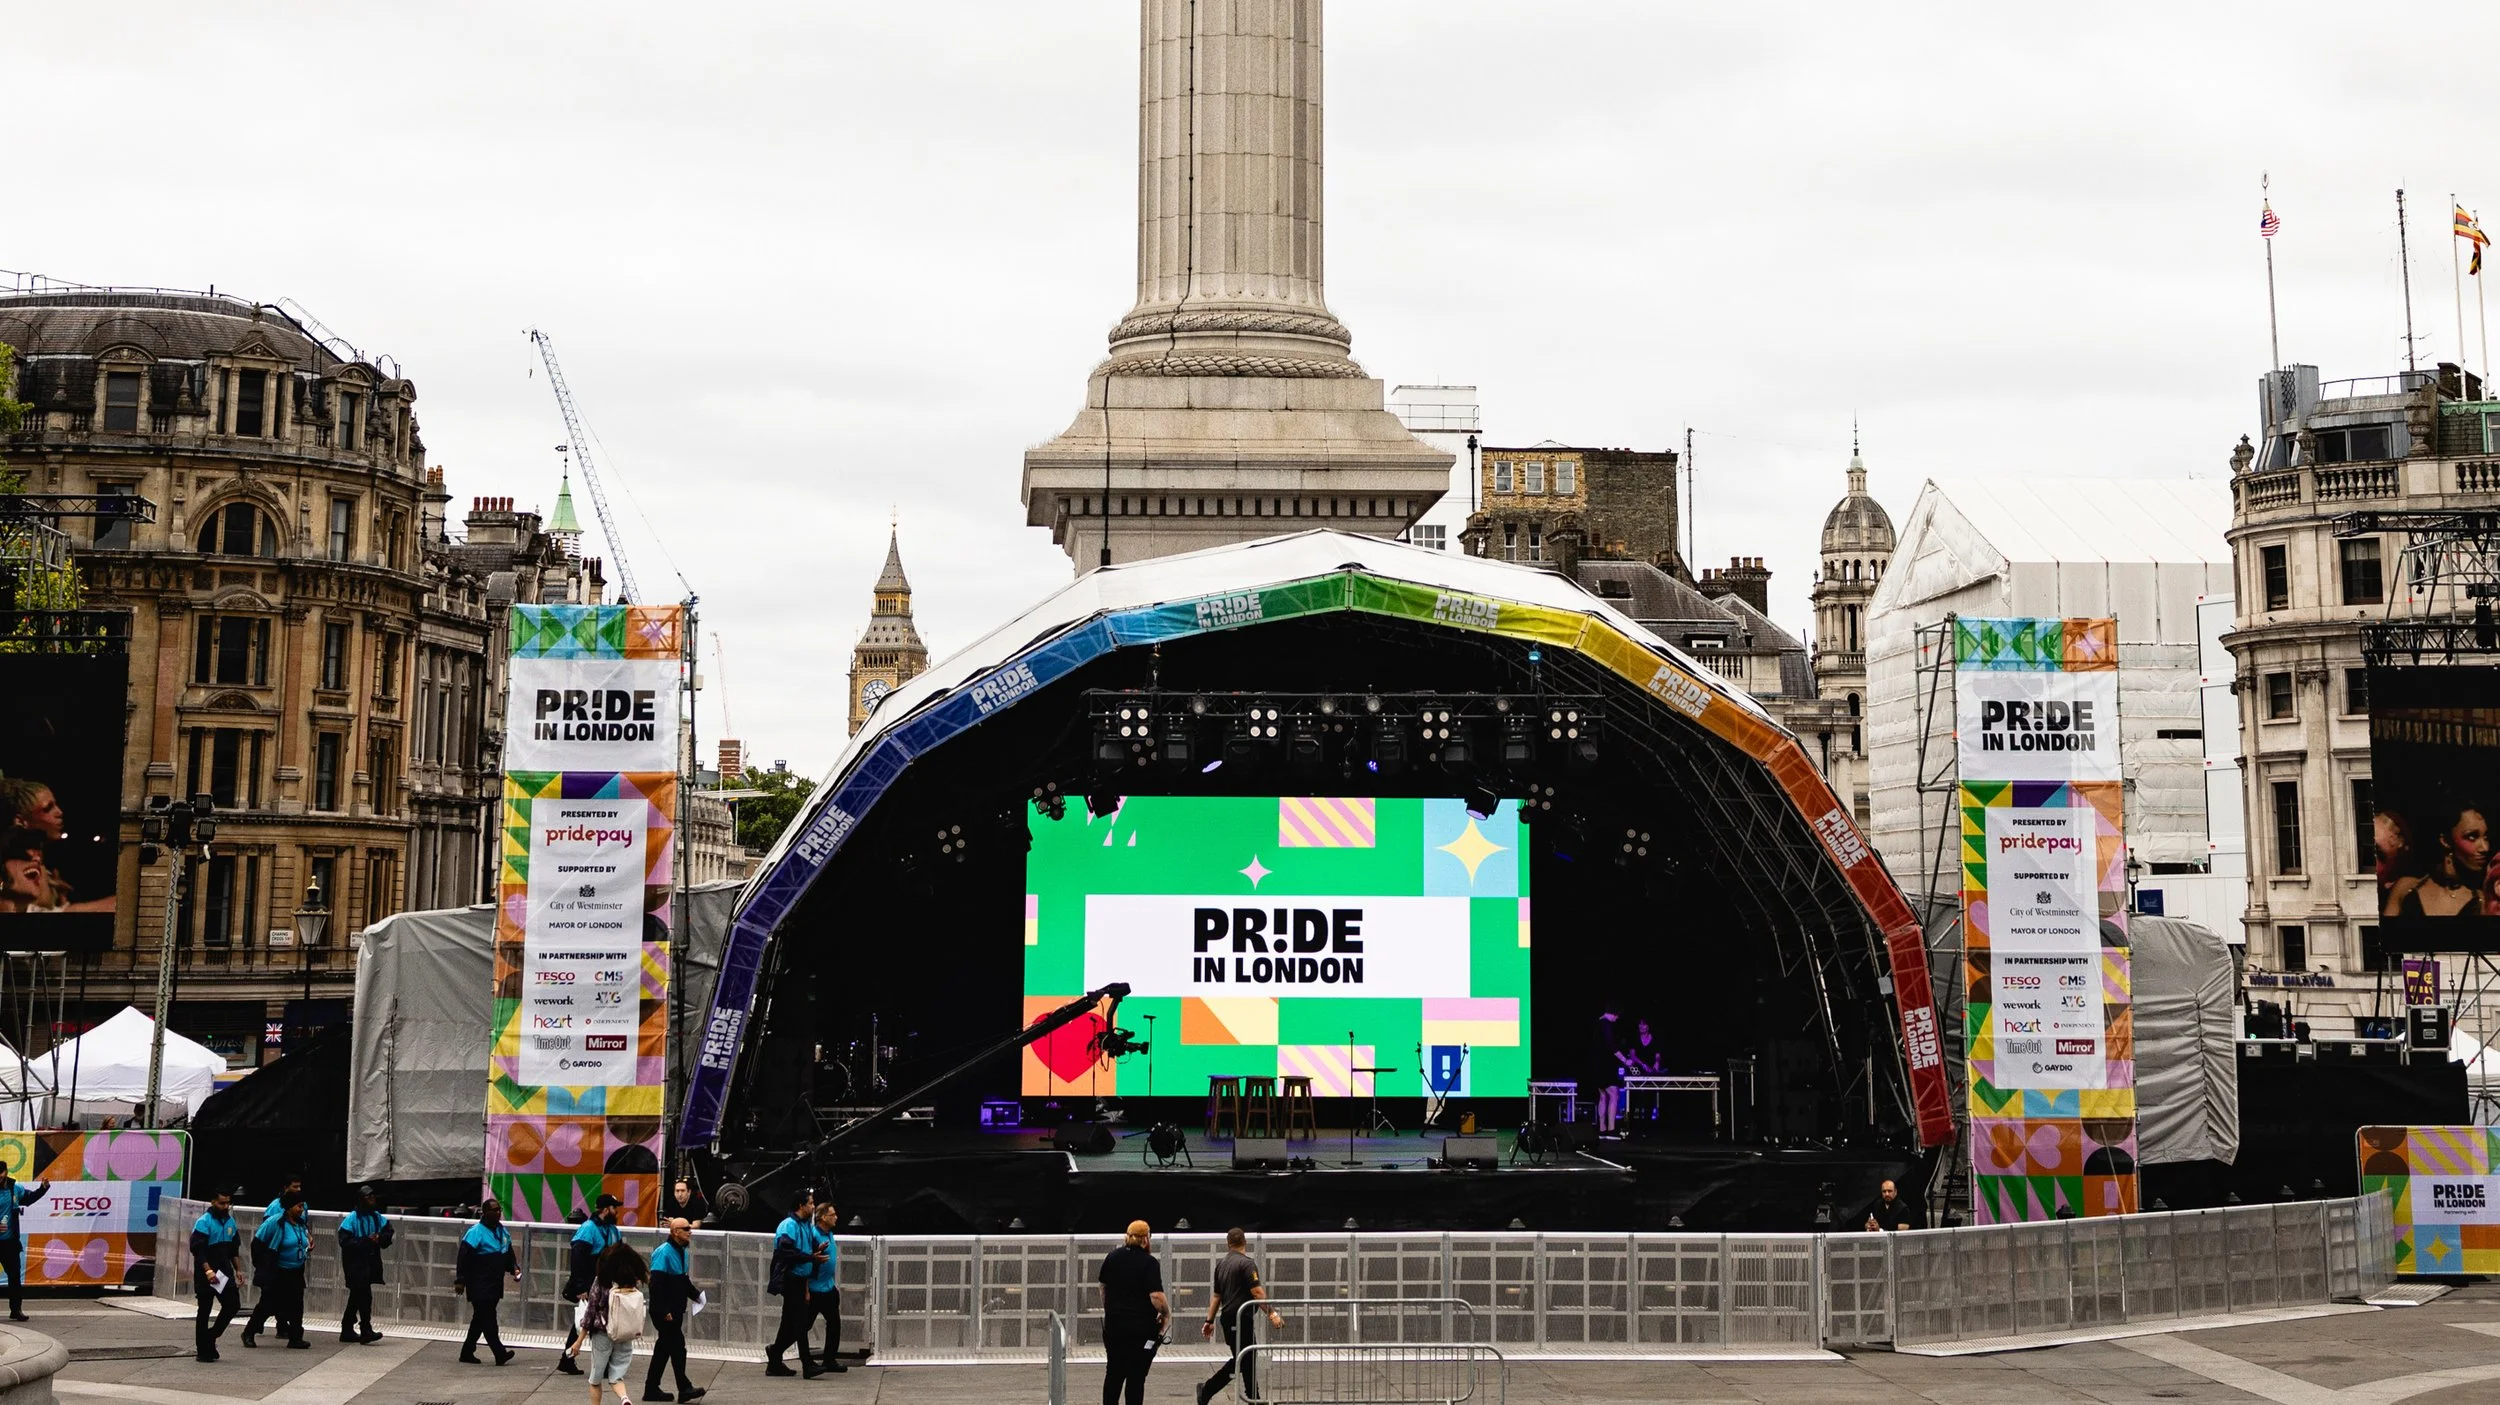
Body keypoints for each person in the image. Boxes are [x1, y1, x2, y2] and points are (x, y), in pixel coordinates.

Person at [1196, 1228, 1283, 1405]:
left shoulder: (1221, 1265)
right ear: (1245, 1242)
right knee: (1244, 1358)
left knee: (1246, 1358)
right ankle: (1208, 1389)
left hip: (1228, 1320)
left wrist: (1209, 1321)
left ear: (1228, 1244)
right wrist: (1272, 1313)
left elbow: (1216, 1297)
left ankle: (1252, 1397)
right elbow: (1257, 1292)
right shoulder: (1247, 1264)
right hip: (1241, 1319)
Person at [1096, 1219, 1169, 1405]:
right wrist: (1166, 1314)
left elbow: (1103, 1287)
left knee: (1113, 1374)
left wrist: (1110, 1309)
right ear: (1146, 1239)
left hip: (1114, 1328)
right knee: (1136, 1378)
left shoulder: (1112, 1257)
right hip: (1140, 1330)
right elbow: (1156, 1297)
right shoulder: (1149, 1262)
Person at [566, 1242, 648, 1405]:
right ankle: (624, 1398)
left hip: (602, 1333)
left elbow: (590, 1312)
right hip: (625, 1334)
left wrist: (578, 1341)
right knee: (616, 1376)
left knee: (595, 1379)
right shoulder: (632, 1282)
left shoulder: (602, 1281)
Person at [556, 1194, 625, 1374]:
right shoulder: (588, 1229)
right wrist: (580, 1288)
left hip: (607, 1282)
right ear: (605, 1209)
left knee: (586, 1322)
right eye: (614, 1207)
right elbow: (577, 1260)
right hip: (590, 1283)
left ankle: (568, 1359)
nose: (616, 1211)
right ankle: (596, 1363)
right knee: (591, 1322)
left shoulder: (613, 1230)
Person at [2387, 804, 2490, 918]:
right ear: (2446, 840)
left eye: (2485, 837)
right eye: (2472, 837)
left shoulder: (2482, 903)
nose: (2485, 847)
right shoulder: (2405, 889)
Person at [644, 1216, 705, 1401]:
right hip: (665, 1312)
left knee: (663, 1349)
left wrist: (695, 1295)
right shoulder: (664, 1252)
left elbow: (682, 1280)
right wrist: (663, 1311)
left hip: (675, 1310)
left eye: (689, 1227)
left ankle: (651, 1389)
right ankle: (684, 1388)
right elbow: (656, 1284)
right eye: (685, 1228)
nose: (690, 1231)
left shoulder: (683, 1252)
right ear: (675, 1232)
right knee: (678, 1347)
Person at [765, 1188, 823, 1376]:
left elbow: (805, 1248)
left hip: (799, 1279)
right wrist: (810, 1257)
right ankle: (807, 1364)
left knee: (790, 1323)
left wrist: (815, 1251)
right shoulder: (788, 1225)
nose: (813, 1207)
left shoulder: (805, 1225)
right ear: (801, 1205)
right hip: (790, 1278)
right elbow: (785, 1252)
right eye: (811, 1203)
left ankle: (774, 1356)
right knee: (799, 1322)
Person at [455, 1198, 519, 1366]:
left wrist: (514, 1268)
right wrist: (460, 1280)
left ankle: (467, 1352)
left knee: (480, 1318)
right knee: (489, 1318)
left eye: (499, 1210)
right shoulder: (476, 1232)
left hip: (494, 1282)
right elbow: (463, 1257)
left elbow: (508, 1253)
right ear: (485, 1212)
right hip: (478, 1282)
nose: (498, 1213)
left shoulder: (502, 1232)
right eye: (494, 1210)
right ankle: (499, 1352)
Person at [242, 1193, 311, 1348]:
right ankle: (249, 1332)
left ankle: (295, 1338)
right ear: (289, 1207)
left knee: (296, 1305)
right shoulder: (276, 1222)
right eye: (299, 1206)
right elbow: (257, 1244)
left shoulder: (300, 1224)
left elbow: (301, 1240)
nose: (302, 1210)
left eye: (302, 1206)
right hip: (279, 1271)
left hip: (296, 1270)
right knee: (267, 1305)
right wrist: (261, 1265)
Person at [336, 1184, 394, 1343]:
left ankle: (347, 1328)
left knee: (357, 1296)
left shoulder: (377, 1217)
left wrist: (380, 1239)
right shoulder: (351, 1219)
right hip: (355, 1264)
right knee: (364, 1296)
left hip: (370, 1262)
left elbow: (388, 1232)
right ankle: (365, 1328)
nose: (372, 1199)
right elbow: (345, 1241)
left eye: (373, 1196)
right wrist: (367, 1241)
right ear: (361, 1199)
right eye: (368, 1197)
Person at [190, 1189, 242, 1362]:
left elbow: (233, 1249)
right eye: (222, 1203)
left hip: (223, 1271)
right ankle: (203, 1349)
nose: (225, 1206)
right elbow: (198, 1250)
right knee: (204, 1309)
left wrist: (238, 1269)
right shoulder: (204, 1222)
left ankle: (211, 1336)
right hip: (207, 1272)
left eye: (228, 1203)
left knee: (233, 1305)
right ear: (213, 1202)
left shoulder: (230, 1222)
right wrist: (207, 1270)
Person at [803, 1199, 847, 1373]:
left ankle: (829, 1359)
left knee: (834, 1323)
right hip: (814, 1290)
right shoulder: (813, 1235)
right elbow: (807, 1263)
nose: (836, 1217)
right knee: (803, 1326)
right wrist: (806, 1290)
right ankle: (777, 1349)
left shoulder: (829, 1234)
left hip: (828, 1288)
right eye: (832, 1214)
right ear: (822, 1218)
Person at [0, 1167, 49, 1321]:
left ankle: (16, 1310)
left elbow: (28, 1199)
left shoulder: (15, 1188)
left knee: (14, 1277)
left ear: (6, 1173)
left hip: (9, 1242)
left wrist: (43, 1189)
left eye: (1, 1175)